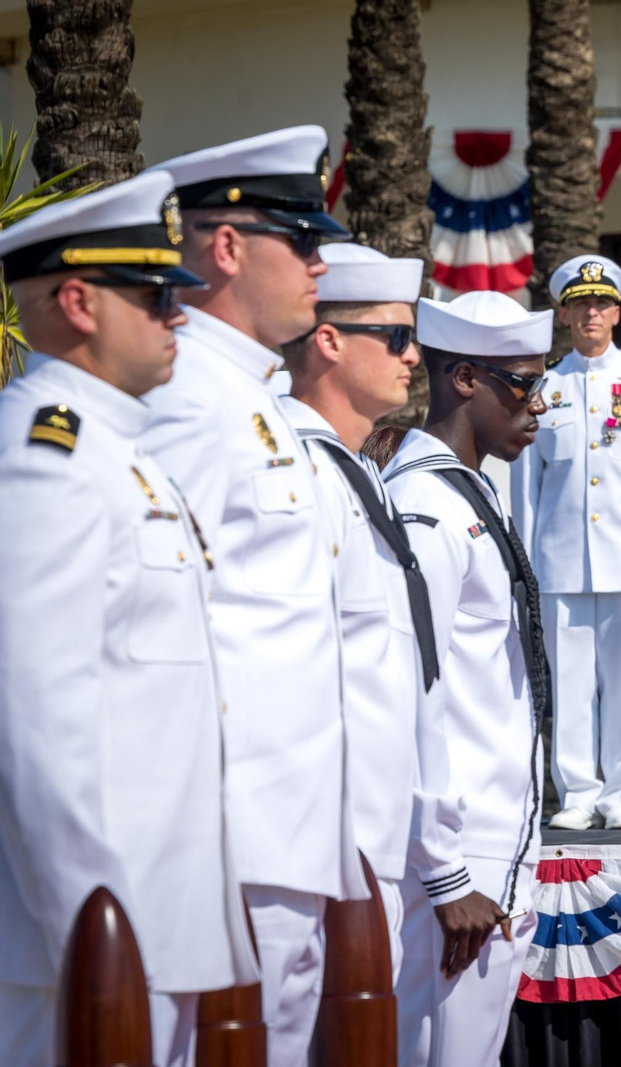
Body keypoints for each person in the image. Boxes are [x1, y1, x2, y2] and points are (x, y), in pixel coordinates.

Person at [0, 170, 257, 1066]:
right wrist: (90, 924)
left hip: (154, 923)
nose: (177, 315)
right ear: (78, 302)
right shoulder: (46, 456)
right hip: (83, 943)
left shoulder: (123, 452)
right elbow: (37, 718)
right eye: (153, 297)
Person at [140, 125, 366, 1065]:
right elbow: (154, 631)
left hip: (284, 830)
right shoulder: (184, 396)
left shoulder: (254, 396)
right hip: (226, 837)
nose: (321, 262)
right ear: (228, 246)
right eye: (302, 239)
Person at [382, 290, 552, 1067]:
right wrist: (446, 872)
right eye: (522, 384)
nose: (538, 404)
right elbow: (408, 688)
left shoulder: (469, 490)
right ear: (464, 380)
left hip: (488, 844)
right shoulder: (427, 503)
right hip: (453, 857)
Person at [278, 242, 438, 992]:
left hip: (375, 844)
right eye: (396, 336)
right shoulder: (293, 470)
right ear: (329, 341)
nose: (413, 357)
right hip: (316, 852)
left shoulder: (358, 469)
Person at [508, 253, 621, 831]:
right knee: (570, 684)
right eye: (580, 303)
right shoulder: (543, 386)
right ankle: (577, 795)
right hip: (560, 562)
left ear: (616, 312)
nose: (592, 312)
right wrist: (525, 565)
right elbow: (526, 486)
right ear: (563, 314)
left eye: (602, 303)